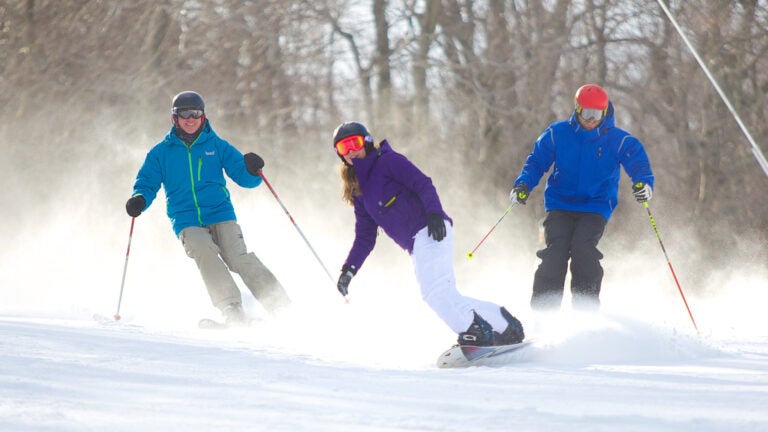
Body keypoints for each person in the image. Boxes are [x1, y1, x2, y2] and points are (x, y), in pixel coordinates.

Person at [333, 121, 524, 347]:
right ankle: (503, 324)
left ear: (366, 140)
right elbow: (365, 237)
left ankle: (474, 331)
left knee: (433, 292)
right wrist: (349, 269)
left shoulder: (387, 161)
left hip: (430, 229)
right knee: (445, 294)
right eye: (344, 148)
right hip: (417, 244)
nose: (352, 151)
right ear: (340, 155)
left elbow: (422, 184)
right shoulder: (359, 192)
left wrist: (434, 213)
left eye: (354, 143)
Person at [125, 91, 291, 325]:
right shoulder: (161, 152)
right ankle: (232, 309)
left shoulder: (217, 145)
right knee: (202, 248)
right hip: (185, 218)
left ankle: (281, 306)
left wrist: (253, 170)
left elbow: (245, 178)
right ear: (175, 117)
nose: (190, 119)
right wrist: (139, 199)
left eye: (196, 113)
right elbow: (146, 182)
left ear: (203, 116)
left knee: (237, 257)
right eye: (184, 114)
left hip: (220, 213)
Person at [510, 84, 654, 311]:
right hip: (560, 203)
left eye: (596, 115)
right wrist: (523, 184)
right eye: (586, 114)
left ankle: (585, 310)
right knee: (555, 252)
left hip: (595, 205)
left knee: (583, 249)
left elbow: (637, 161)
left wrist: (644, 184)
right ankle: (544, 310)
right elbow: (536, 161)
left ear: (605, 112)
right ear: (577, 110)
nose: (590, 120)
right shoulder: (558, 134)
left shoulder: (616, 140)